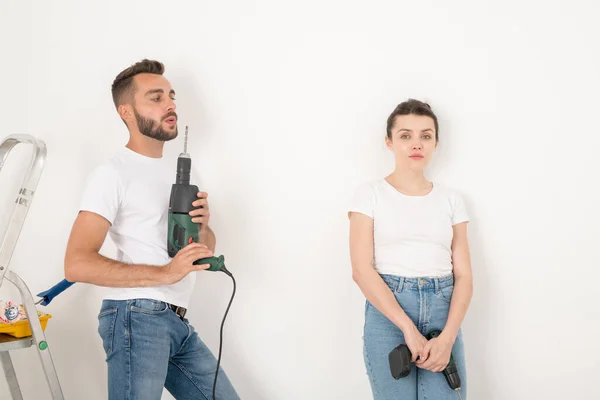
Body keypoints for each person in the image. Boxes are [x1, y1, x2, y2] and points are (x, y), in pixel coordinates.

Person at [64, 59, 239, 400]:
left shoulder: (182, 171)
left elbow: (202, 248)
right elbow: (76, 263)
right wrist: (164, 273)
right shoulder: (112, 173)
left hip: (176, 321)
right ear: (126, 112)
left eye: (171, 96)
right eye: (155, 97)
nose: (170, 104)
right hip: (136, 316)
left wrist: (203, 227)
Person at [348, 99, 472, 399]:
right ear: (389, 142)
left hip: (444, 312)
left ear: (435, 143)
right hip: (389, 312)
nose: (416, 144)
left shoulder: (452, 200)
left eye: (425, 136)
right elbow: (361, 271)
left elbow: (465, 277)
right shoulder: (370, 195)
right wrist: (407, 328)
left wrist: (448, 337)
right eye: (405, 135)